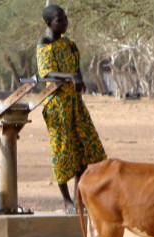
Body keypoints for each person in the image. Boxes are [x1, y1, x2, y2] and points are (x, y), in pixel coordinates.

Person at [37, 4, 107, 214]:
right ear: (49, 23)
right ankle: (66, 200)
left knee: (85, 148)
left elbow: (75, 68)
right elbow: (45, 73)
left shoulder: (70, 45)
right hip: (57, 105)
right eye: (60, 20)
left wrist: (79, 78)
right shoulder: (44, 44)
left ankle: (79, 198)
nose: (65, 23)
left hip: (75, 103)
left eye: (66, 18)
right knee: (62, 150)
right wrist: (69, 77)